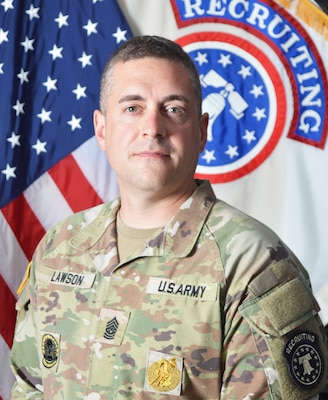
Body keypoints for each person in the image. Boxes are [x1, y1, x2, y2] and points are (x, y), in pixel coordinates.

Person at [10, 35, 327, 400]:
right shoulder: (59, 247)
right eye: (132, 108)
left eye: (174, 109)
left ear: (203, 130)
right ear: (101, 128)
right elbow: (29, 387)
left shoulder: (252, 263)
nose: (153, 127)